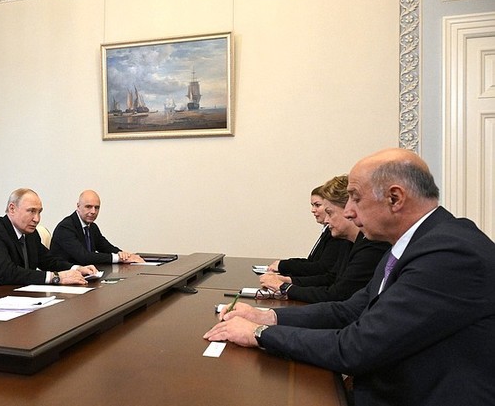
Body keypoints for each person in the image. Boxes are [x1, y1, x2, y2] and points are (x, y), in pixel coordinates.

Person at [204, 148, 495, 406]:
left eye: (355, 198)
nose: (349, 212)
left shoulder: (449, 253)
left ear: (395, 198)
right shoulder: (414, 242)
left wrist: (258, 334)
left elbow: (357, 347)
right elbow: (351, 310)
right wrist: (266, 316)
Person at [259, 176, 389, 303]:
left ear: (349, 210)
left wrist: (285, 288)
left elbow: (337, 295)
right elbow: (331, 278)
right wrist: (289, 281)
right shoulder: (349, 242)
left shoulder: (373, 246)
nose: (326, 220)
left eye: (330, 213)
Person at [0, 188, 98, 293]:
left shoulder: (30, 233)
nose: (37, 219)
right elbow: (8, 273)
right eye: (31, 211)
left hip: (15, 296)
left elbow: (48, 260)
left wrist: (77, 269)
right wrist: (56, 277)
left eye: (39, 212)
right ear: (12, 209)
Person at [266, 185, 351, 276]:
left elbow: (322, 268)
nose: (313, 210)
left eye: (317, 205)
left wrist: (284, 268)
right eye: (312, 205)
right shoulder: (328, 231)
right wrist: (285, 265)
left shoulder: (337, 234)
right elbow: (312, 261)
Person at [50, 190, 144, 265]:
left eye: (97, 207)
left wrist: (124, 255)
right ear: (78, 206)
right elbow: (84, 257)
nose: (93, 211)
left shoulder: (92, 226)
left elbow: (105, 247)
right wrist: (118, 258)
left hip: (86, 274)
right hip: (66, 277)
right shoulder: (65, 228)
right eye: (88, 207)